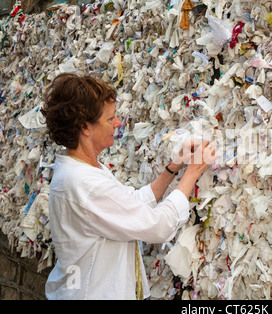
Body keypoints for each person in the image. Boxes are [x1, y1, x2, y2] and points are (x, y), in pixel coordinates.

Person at [41, 72, 216, 300]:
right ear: (85, 127)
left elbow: (132, 202)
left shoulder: (84, 167)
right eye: (110, 119)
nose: (118, 123)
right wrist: (192, 172)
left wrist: (176, 166)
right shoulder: (84, 183)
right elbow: (159, 226)